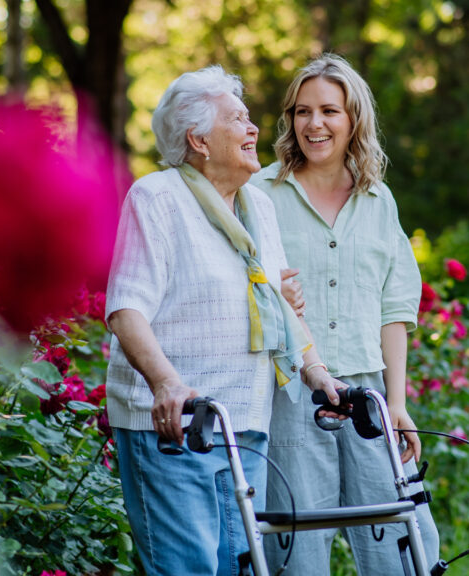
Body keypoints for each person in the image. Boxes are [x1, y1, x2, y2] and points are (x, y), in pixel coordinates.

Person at [104, 65, 344, 576]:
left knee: (238, 567)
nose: (255, 129)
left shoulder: (256, 204)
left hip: (243, 423)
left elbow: (276, 302)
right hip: (175, 425)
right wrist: (167, 382)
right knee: (188, 567)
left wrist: (316, 370)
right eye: (237, 119)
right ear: (199, 139)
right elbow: (126, 309)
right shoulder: (158, 198)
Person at [250, 54, 440, 575]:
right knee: (295, 553)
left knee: (403, 548)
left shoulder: (379, 201)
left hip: (368, 398)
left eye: (330, 110)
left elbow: (394, 309)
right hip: (290, 396)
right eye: (303, 111)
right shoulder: (259, 196)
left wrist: (396, 403)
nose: (315, 124)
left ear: (354, 118)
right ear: (289, 119)